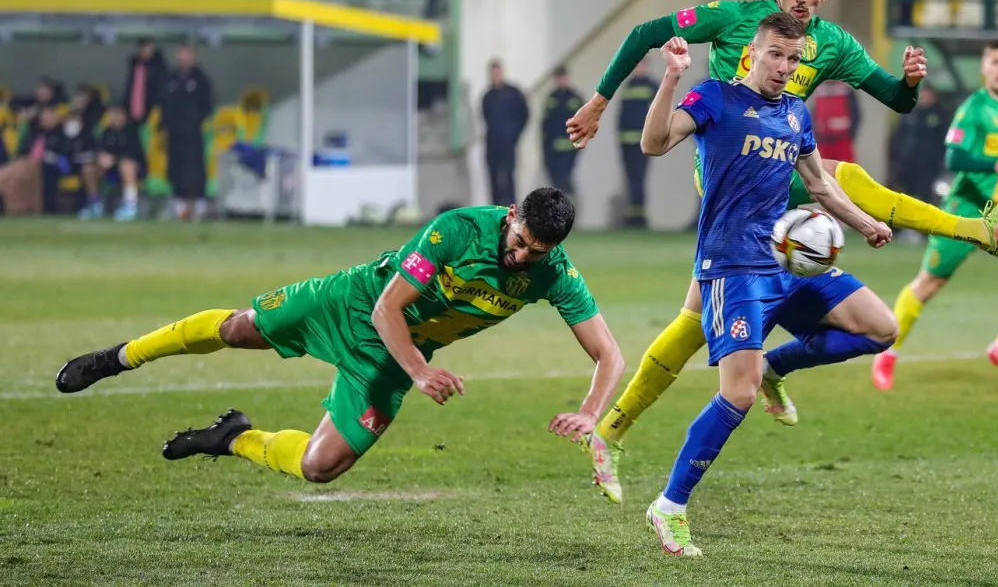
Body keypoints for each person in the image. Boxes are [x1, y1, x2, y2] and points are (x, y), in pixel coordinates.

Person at [567, 0, 998, 502]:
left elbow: (895, 100)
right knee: (845, 178)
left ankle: (613, 430)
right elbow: (645, 32)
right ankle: (977, 230)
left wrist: (908, 83)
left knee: (693, 323)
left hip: (776, 179)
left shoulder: (832, 44)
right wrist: (599, 101)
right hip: (728, 176)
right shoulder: (733, 18)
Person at [56, 188, 625, 484]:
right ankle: (119, 357)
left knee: (320, 467)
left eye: (535, 253)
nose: (521, 257)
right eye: (520, 241)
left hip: (390, 359)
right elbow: (386, 308)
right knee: (237, 329)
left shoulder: (555, 274)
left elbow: (609, 355)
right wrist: (421, 371)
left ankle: (232, 438)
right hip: (352, 304)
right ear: (512, 214)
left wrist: (590, 412)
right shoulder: (457, 230)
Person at [640, 15, 934, 556]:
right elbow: (653, 143)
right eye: (775, 54)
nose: (784, 66)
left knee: (880, 328)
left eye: (793, 59)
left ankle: (778, 366)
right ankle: (670, 506)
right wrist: (672, 76)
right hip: (732, 268)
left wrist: (865, 223)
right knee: (738, 392)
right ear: (752, 54)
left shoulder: (796, 113)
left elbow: (819, 183)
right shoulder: (715, 98)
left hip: (785, 259)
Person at [873, 39, 998, 390]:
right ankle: (887, 353)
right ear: (984, 68)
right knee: (929, 283)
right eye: (995, 62)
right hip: (966, 207)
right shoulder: (974, 108)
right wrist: (997, 163)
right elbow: (954, 157)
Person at [162, 45, 213, 221]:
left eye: (187, 56)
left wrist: (197, 120)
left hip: (193, 131)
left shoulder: (200, 79)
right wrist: (166, 123)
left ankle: (199, 201)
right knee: (175, 165)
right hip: (174, 131)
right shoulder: (170, 78)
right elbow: (164, 102)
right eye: (181, 56)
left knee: (195, 166)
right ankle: (179, 202)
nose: (184, 60)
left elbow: (207, 103)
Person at [617, 56, 658, 228]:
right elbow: (622, 115)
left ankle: (639, 217)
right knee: (631, 178)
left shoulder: (652, 86)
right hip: (626, 141)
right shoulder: (628, 86)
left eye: (641, 65)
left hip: (643, 142)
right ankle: (633, 215)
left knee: (639, 178)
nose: (639, 68)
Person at [481, 61, 529, 207]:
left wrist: (514, 135)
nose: (495, 76)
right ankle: (495, 210)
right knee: (493, 177)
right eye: (493, 73)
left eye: (497, 72)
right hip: (492, 144)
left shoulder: (513, 93)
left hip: (508, 144)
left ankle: (511, 209)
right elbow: (485, 117)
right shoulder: (488, 96)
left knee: (508, 176)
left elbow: (524, 114)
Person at [541, 67, 581, 199]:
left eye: (563, 77)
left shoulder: (575, 98)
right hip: (554, 149)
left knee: (566, 181)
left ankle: (569, 205)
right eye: (558, 78)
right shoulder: (551, 98)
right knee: (556, 183)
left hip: (570, 150)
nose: (561, 81)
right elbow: (545, 125)